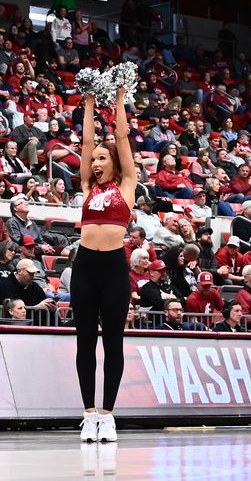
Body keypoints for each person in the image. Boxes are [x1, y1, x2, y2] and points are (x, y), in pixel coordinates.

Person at [70, 87, 136, 444]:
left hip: (113, 270)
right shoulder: (85, 185)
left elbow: (121, 136)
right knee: (84, 342)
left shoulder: (127, 183)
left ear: (114, 162)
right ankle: (88, 414)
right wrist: (91, 102)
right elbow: (85, 141)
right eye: (92, 159)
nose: (95, 164)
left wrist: (120, 96)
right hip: (84, 268)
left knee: (113, 342)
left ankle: (108, 414)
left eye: (101, 159)